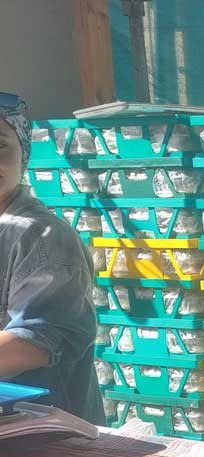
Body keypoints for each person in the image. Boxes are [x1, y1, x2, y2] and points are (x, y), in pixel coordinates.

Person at [0, 93, 102, 423]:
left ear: (22, 156)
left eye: (1, 145)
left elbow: (32, 343)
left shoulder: (40, 236)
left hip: (45, 439)